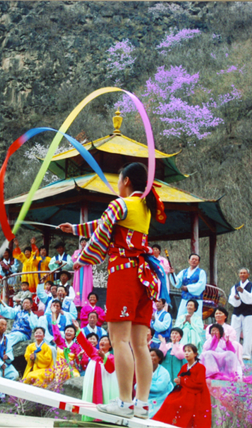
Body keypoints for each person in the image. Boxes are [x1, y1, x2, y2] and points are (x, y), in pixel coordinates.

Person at [58, 162, 165, 418]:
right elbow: (106, 223)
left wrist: (80, 260)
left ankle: (125, 402)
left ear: (126, 180)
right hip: (145, 278)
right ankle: (141, 404)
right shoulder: (144, 207)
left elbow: (101, 234)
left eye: (118, 178)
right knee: (140, 344)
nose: (117, 183)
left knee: (119, 340)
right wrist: (75, 229)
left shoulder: (120, 204)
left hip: (125, 275)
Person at [153, 344, 212, 428]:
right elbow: (180, 376)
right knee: (169, 401)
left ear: (195, 354)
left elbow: (199, 384)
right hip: (185, 390)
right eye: (185, 351)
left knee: (183, 404)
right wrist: (178, 381)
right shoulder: (184, 366)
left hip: (196, 393)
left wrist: (182, 381)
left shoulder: (201, 367)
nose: (186, 353)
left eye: (189, 351)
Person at [76, 332, 118, 422]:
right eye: (101, 340)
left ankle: (106, 419)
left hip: (106, 382)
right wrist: (78, 330)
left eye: (105, 340)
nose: (102, 341)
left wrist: (104, 357)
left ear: (110, 345)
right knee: (91, 395)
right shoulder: (93, 353)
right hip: (93, 382)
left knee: (105, 395)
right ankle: (90, 417)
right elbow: (85, 343)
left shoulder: (112, 357)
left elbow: (111, 369)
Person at [229, 267, 252, 360]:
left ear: (248, 275)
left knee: (248, 333)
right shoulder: (235, 286)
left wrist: (244, 292)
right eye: (241, 273)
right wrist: (236, 298)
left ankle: (246, 354)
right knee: (234, 333)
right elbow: (231, 299)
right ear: (239, 275)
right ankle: (234, 352)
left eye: (244, 273)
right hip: (237, 312)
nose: (242, 275)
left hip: (249, 313)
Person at [170, 253, 206, 320]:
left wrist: (188, 288)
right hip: (185, 299)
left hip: (196, 299)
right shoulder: (183, 272)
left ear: (198, 262)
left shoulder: (201, 272)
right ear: (189, 260)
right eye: (192, 259)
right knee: (182, 317)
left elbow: (201, 285)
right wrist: (172, 274)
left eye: (196, 260)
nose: (194, 261)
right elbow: (177, 283)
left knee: (195, 318)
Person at [140, 348, 173, 418]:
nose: (150, 358)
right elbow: (137, 386)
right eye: (149, 355)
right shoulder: (144, 370)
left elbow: (159, 388)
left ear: (159, 358)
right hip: (145, 395)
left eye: (153, 356)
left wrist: (143, 387)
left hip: (160, 397)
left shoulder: (164, 372)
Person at [72, 238, 94, 307]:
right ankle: (77, 302)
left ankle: (86, 303)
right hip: (78, 270)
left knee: (86, 284)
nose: (83, 243)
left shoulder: (90, 251)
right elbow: (73, 260)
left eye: (85, 242)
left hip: (86, 270)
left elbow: (91, 261)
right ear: (80, 244)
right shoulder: (77, 252)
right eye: (82, 242)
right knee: (77, 284)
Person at [151, 244, 171, 310]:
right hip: (153, 278)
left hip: (162, 279)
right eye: (153, 249)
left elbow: (167, 269)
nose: (155, 251)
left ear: (159, 251)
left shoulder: (163, 260)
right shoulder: (150, 259)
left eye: (156, 249)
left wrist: (158, 270)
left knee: (162, 294)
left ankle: (164, 309)